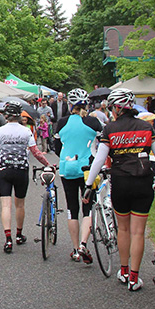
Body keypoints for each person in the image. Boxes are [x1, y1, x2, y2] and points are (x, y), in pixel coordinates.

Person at [83, 89, 155, 291]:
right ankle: (134, 277)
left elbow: (99, 159)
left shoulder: (110, 129)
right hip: (143, 182)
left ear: (116, 108)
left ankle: (123, 271)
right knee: (138, 231)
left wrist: (89, 184)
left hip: (121, 182)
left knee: (122, 228)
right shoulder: (146, 127)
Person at [0, 102, 50, 254]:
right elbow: (36, 152)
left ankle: (8, 238)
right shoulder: (26, 131)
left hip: (4, 169)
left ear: (7, 115)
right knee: (20, 204)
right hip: (21, 169)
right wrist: (48, 164)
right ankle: (19, 234)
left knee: (5, 205)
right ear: (19, 115)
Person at [55, 89, 104, 263]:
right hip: (87, 170)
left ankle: (75, 249)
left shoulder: (61, 123)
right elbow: (102, 146)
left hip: (67, 168)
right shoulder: (93, 122)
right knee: (88, 208)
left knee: (71, 209)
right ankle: (84, 243)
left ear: (70, 105)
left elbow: (56, 146)